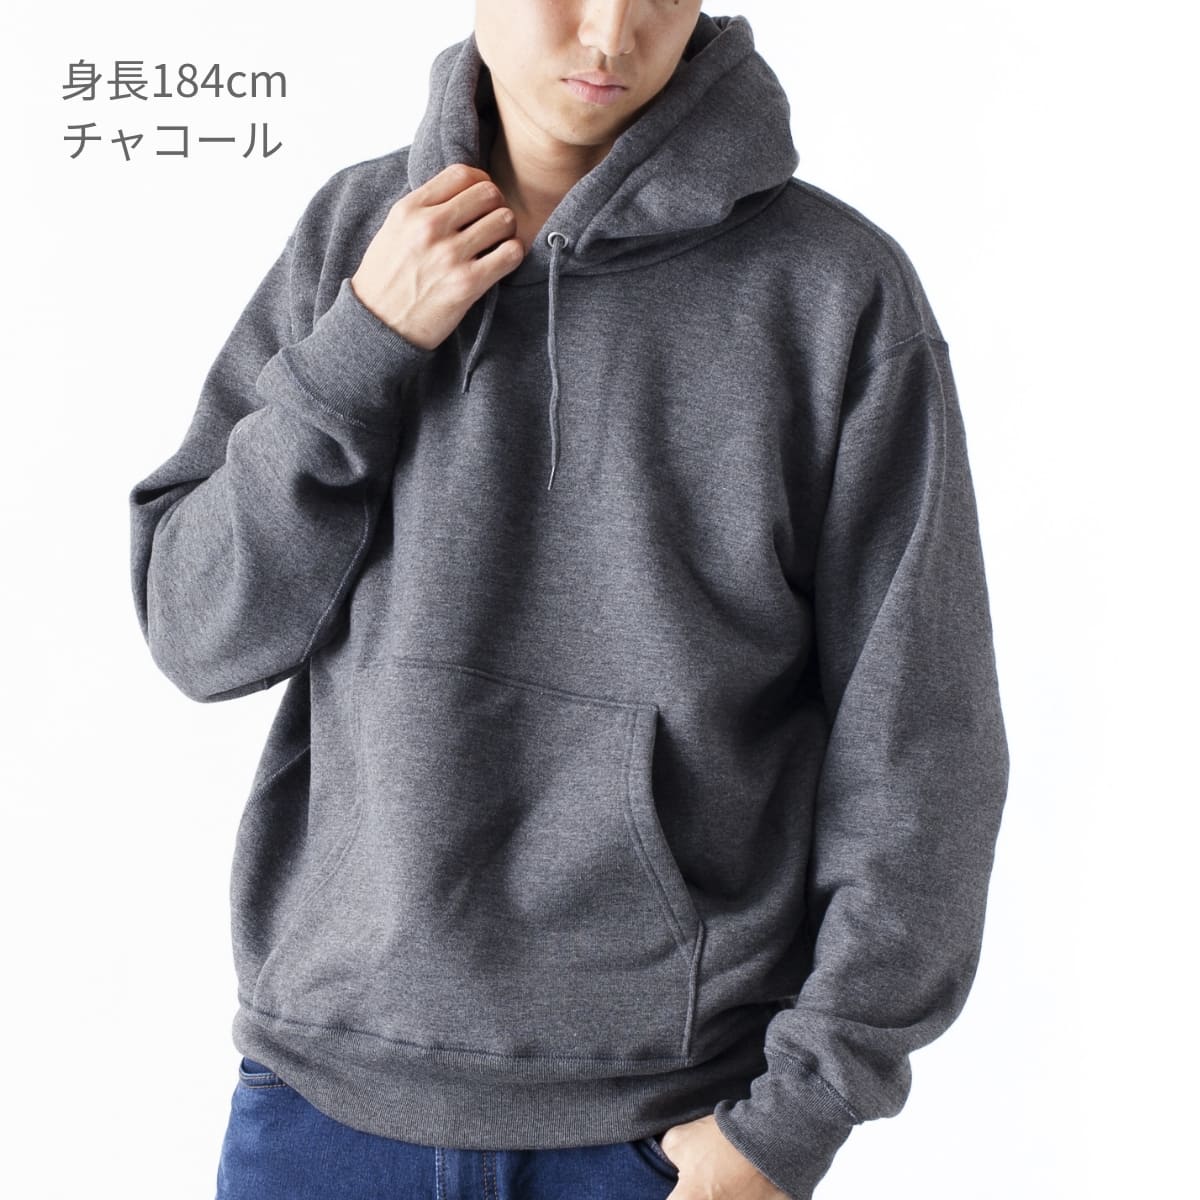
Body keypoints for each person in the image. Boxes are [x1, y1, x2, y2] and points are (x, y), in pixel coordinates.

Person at [127, 3, 1010, 1198]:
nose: (610, 31)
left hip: (662, 1122)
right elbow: (197, 631)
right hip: (321, 1106)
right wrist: (366, 344)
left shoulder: (831, 290)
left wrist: (802, 1108)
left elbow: (921, 737)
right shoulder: (357, 233)